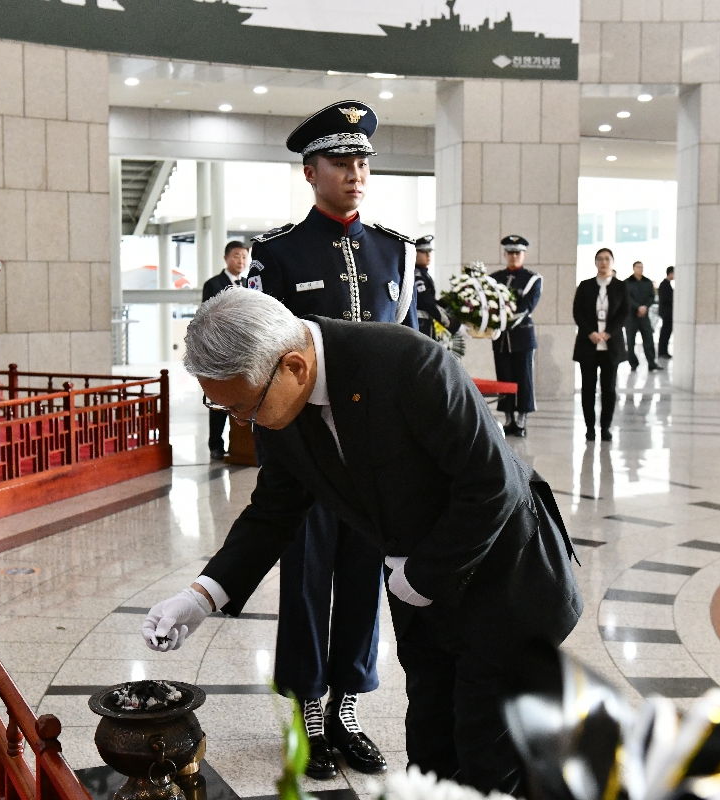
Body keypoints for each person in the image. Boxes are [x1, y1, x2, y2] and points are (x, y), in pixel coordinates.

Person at [142, 288, 582, 795]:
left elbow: (492, 485)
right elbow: (274, 511)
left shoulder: (406, 363)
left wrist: (421, 574)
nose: (244, 421)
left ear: (294, 368)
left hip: (506, 583)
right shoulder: (277, 398)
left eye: (244, 407)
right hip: (423, 596)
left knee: (491, 755)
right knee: (431, 746)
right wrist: (201, 596)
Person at [237, 99, 417, 780]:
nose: (356, 172)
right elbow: (261, 360)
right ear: (311, 171)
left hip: (375, 457)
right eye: (342, 161)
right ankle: (309, 712)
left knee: (364, 583)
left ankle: (346, 707)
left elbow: (413, 355)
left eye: (363, 160)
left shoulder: (394, 251)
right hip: (310, 455)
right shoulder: (279, 254)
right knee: (308, 582)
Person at [202, 241, 252, 459]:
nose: (240, 261)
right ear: (226, 258)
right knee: (219, 397)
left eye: (244, 257)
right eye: (236, 256)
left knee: (243, 396)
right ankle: (215, 444)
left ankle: (243, 447)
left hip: (246, 350)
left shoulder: (250, 283)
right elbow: (210, 316)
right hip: (221, 350)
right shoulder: (213, 284)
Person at [573, 248, 628, 442]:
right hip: (588, 345)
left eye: (607, 259)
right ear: (595, 262)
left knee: (609, 389)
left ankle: (606, 428)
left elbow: (623, 314)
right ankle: (589, 428)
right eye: (600, 259)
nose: (603, 262)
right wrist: (591, 333)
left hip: (610, 346)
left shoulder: (621, 287)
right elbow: (577, 312)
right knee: (588, 388)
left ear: (612, 262)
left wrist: (608, 333)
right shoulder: (586, 286)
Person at [490, 235, 541, 438]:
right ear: (505, 254)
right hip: (501, 338)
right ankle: (508, 417)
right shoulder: (495, 278)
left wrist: (502, 322)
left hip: (522, 336)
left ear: (524, 255)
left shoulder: (532, 279)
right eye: (510, 253)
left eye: (517, 253)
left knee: (523, 378)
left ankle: (522, 419)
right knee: (504, 376)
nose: (514, 256)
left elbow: (526, 307)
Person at [412, 235, 456, 339]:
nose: (428, 255)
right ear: (414, 253)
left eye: (429, 251)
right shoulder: (417, 275)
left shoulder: (424, 274)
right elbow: (425, 301)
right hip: (419, 324)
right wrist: (451, 323)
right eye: (423, 252)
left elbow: (431, 300)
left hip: (424, 324)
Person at [624, 261, 659, 372]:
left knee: (648, 339)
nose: (640, 269)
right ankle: (633, 363)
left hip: (644, 316)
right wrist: (637, 307)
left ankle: (652, 363)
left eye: (642, 267)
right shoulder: (627, 282)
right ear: (633, 268)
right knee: (630, 341)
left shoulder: (647, 282)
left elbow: (651, 296)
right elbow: (626, 298)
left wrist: (645, 307)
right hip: (631, 316)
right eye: (638, 267)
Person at [657, 266, 674, 359]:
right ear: (671, 273)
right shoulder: (664, 285)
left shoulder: (666, 284)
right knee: (665, 332)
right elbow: (665, 299)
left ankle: (663, 351)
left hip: (666, 312)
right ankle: (662, 351)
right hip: (666, 312)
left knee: (666, 332)